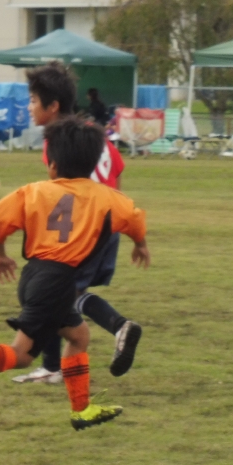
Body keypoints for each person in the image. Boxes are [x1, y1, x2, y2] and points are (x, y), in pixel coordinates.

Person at [0, 116, 151, 431]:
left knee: (79, 336)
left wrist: (0, 255)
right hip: (57, 283)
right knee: (22, 354)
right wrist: (140, 245)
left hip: (36, 276)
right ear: (93, 163)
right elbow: (134, 218)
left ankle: (82, 409)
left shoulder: (33, 191)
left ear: (52, 165)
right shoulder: (105, 196)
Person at [13, 64, 142, 385]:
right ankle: (54, 365)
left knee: (53, 293)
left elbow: (60, 193)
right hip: (108, 225)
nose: (29, 107)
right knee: (65, 296)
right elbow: (118, 171)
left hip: (82, 228)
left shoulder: (58, 141)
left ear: (53, 106)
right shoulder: (93, 133)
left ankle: (118, 327)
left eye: (33, 100)